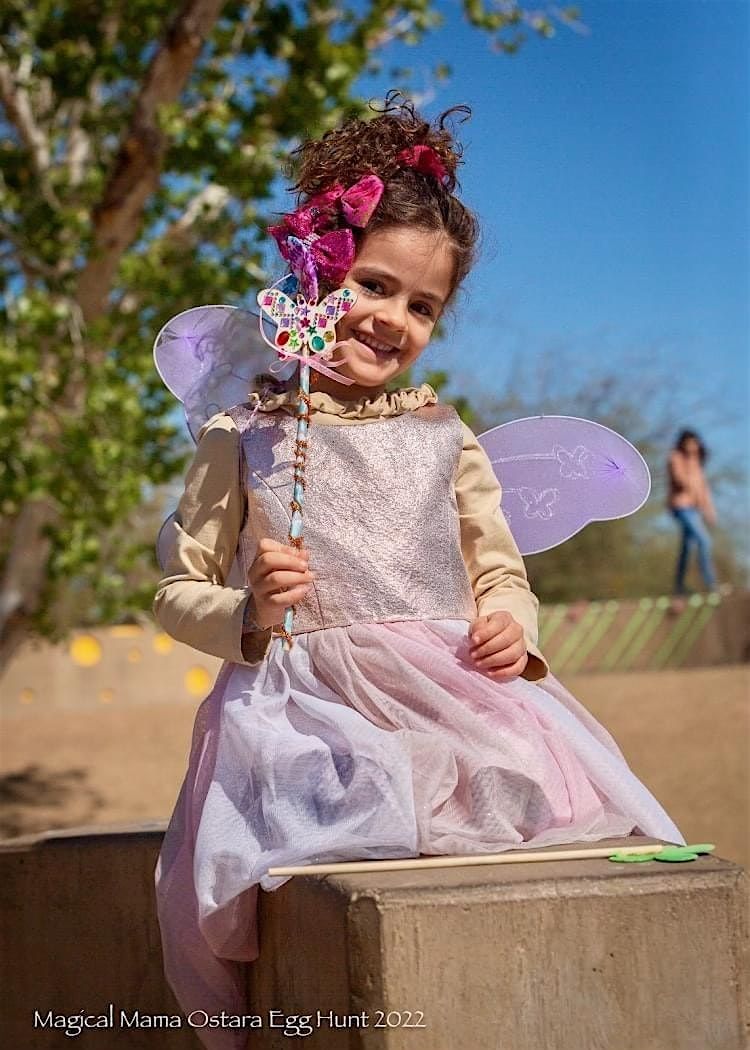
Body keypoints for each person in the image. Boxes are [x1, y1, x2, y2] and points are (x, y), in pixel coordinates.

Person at [153, 96, 684, 1049]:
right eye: (373, 284)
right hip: (309, 703)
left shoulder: (446, 437)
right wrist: (252, 611)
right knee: (339, 805)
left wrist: (514, 627)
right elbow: (176, 589)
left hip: (451, 687)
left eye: (422, 305)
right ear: (315, 274)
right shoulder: (249, 436)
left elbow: (499, 571)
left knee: (537, 792)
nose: (392, 318)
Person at [668, 429, 718, 596]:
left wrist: (709, 510)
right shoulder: (676, 457)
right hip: (681, 506)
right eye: (689, 443)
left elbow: (703, 490)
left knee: (687, 548)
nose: (692, 446)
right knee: (704, 541)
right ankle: (711, 584)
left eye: (694, 443)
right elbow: (679, 480)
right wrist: (689, 470)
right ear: (683, 443)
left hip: (694, 508)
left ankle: (679, 587)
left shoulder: (697, 463)